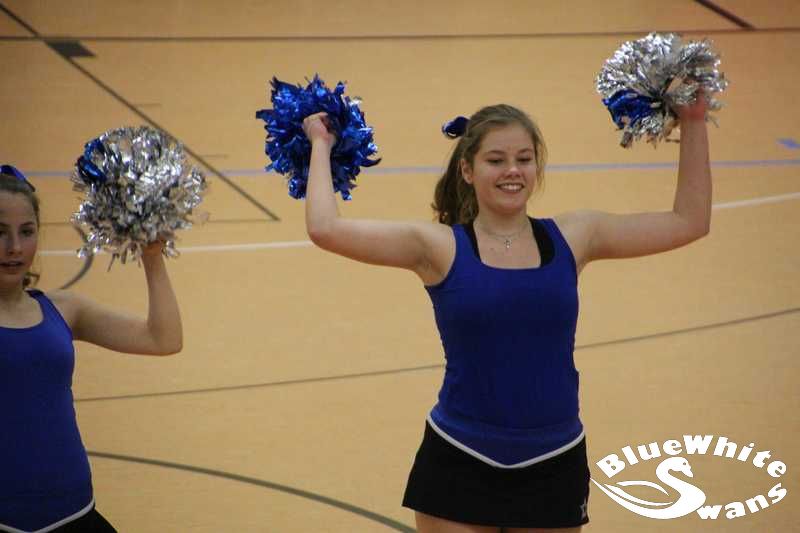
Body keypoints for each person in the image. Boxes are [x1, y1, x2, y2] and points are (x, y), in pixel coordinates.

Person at [301, 94, 710, 532]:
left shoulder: (576, 236)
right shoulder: (438, 246)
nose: (512, 170)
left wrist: (693, 120)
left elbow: (689, 221)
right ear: (467, 169)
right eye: (496, 160)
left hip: (554, 458)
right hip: (459, 456)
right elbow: (326, 229)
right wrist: (321, 144)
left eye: (524, 159)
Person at [0, 166, 183, 532]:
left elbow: (163, 338)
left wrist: (152, 256)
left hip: (75, 513)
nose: (15, 247)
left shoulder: (64, 309)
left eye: (27, 231)